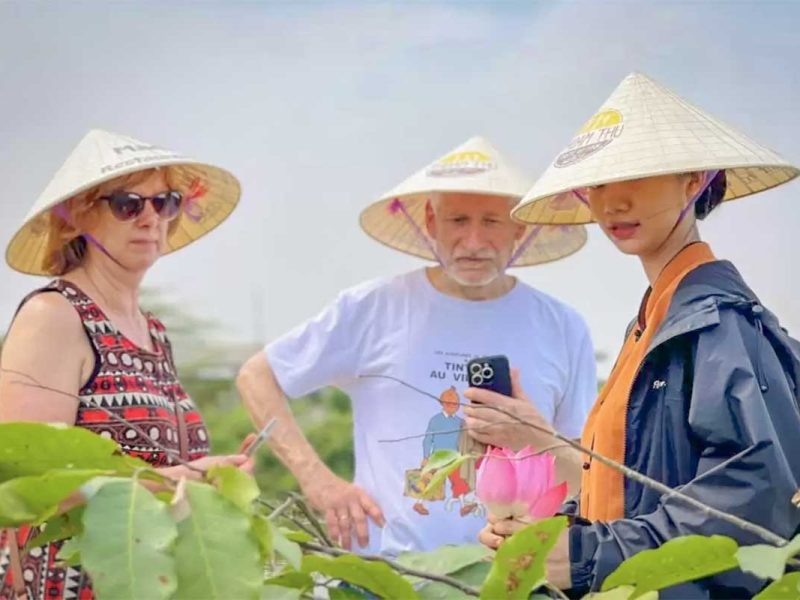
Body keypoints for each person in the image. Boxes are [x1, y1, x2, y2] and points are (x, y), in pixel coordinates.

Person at [476, 72, 800, 598]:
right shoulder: (652, 324)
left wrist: (584, 557)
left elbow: (751, 502)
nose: (611, 203)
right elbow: (632, 492)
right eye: (597, 184)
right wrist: (554, 535)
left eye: (635, 177)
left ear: (692, 180)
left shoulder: (721, 325)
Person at [237, 136, 597, 556]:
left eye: (492, 222)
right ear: (431, 222)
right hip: (390, 575)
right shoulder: (374, 308)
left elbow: (585, 475)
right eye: (458, 220)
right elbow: (257, 376)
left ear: (520, 228)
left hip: (512, 575)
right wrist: (317, 480)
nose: (474, 241)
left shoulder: (562, 326)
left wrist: (535, 435)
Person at [0, 129, 250, 599]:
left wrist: (215, 476)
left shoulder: (152, 331)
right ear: (77, 217)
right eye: (128, 204)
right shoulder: (54, 315)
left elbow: (166, 470)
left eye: (166, 202)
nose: (151, 218)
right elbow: (22, 482)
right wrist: (177, 480)